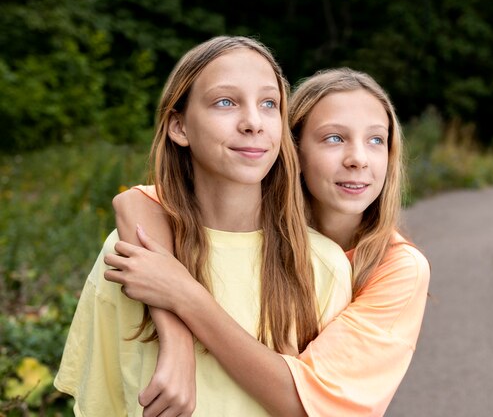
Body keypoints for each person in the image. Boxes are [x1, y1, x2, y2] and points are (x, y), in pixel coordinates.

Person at [53, 36, 352, 417]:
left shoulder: (321, 266)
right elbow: (104, 406)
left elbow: (322, 406)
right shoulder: (129, 255)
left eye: (269, 104)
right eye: (225, 102)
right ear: (179, 127)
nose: (253, 123)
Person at [108, 67, 431, 416]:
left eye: (376, 140)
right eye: (334, 138)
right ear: (292, 148)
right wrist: (177, 344)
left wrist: (184, 295)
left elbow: (304, 402)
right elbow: (136, 201)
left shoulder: (400, 269)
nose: (358, 159)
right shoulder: (256, 218)